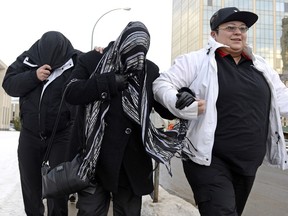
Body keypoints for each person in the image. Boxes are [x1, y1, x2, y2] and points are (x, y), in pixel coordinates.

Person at [153, 7, 288, 216]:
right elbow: (162, 84)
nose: (238, 32)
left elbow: (283, 99)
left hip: (248, 164)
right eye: (230, 27)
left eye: (243, 28)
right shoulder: (197, 60)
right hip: (208, 159)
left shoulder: (260, 66)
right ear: (214, 34)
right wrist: (179, 101)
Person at [64, 21, 183, 216]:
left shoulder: (149, 70)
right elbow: (71, 92)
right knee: (90, 211)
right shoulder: (92, 60)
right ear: (122, 44)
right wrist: (107, 82)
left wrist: (181, 97)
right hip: (93, 158)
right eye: (132, 50)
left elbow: (164, 106)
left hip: (131, 162)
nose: (136, 58)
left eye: (142, 51)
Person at [2, 31, 81, 216]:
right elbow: (9, 84)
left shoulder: (77, 60)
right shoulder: (27, 59)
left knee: (58, 189)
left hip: (61, 135)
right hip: (30, 134)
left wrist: (99, 51)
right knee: (31, 187)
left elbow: (97, 66)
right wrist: (34, 76)